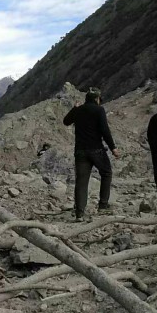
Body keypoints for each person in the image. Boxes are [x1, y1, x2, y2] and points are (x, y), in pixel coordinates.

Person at [63, 88, 120, 221]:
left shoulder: (78, 110)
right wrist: (113, 148)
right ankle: (103, 205)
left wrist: (74, 109)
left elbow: (66, 121)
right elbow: (105, 130)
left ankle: (79, 213)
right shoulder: (99, 110)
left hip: (80, 151)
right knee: (106, 173)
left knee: (81, 181)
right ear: (96, 99)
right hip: (96, 149)